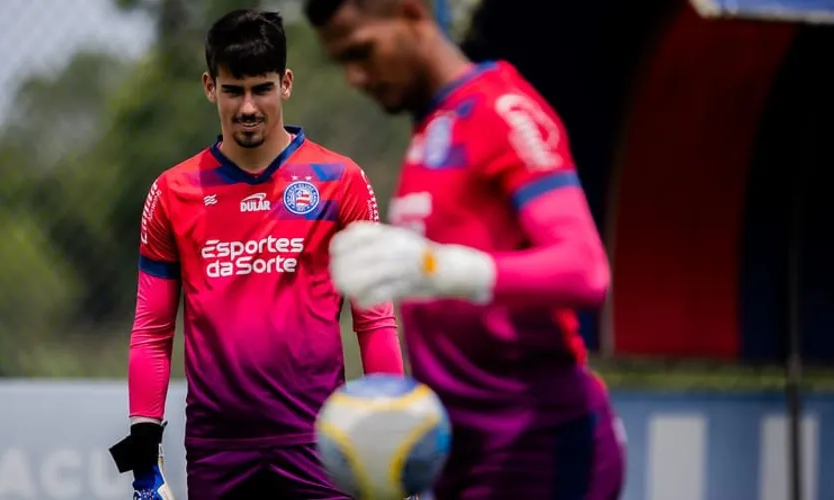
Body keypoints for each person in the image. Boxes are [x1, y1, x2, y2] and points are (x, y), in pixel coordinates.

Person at [304, 0, 626, 498]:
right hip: (465, 454)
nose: (355, 77)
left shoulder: (502, 109)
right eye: (341, 61)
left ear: (411, 11)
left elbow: (585, 270)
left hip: (541, 446)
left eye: (362, 51)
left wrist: (438, 266)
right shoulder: (433, 126)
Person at [107, 9, 405, 500]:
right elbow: (151, 333)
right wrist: (144, 458)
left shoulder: (340, 180)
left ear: (286, 84)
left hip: (321, 445)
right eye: (233, 90)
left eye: (261, 88)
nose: (248, 106)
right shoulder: (173, 191)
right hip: (216, 451)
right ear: (209, 87)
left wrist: (392, 442)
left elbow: (374, 321)